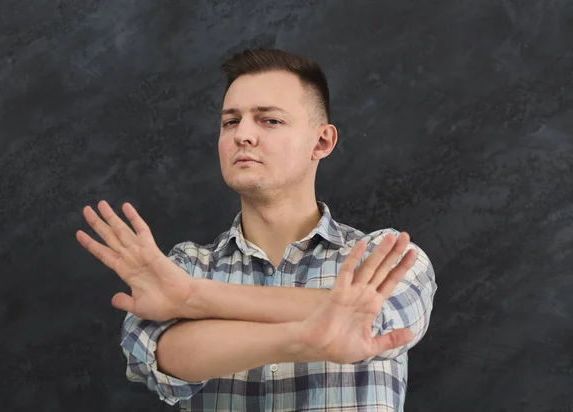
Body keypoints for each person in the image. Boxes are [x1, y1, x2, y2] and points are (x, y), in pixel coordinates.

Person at [76, 48, 437, 411]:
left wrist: (192, 299)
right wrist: (298, 338)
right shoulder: (186, 265)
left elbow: (373, 320)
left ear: (322, 141)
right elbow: (158, 356)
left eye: (269, 121)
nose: (242, 135)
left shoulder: (386, 256)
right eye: (231, 122)